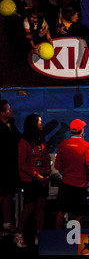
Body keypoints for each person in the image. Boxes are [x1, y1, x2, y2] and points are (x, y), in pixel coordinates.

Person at [14, 114, 51, 248]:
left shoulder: (41, 139)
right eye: (40, 122)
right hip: (30, 180)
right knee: (29, 207)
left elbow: (46, 157)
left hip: (43, 178)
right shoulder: (23, 141)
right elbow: (21, 163)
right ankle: (18, 235)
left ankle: (38, 235)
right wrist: (37, 175)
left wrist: (47, 174)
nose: (42, 124)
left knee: (41, 206)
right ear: (33, 124)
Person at [54, 119, 89, 229]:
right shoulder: (86, 145)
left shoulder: (63, 144)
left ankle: (56, 238)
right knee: (80, 214)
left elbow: (58, 165)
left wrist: (65, 174)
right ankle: (75, 241)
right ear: (81, 130)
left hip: (66, 184)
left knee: (61, 211)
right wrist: (88, 178)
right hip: (80, 185)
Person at [0, 100, 21, 234]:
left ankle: (7, 224)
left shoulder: (11, 125)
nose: (11, 110)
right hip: (2, 168)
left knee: (7, 195)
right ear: (2, 113)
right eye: (8, 109)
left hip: (10, 168)